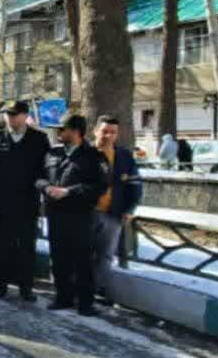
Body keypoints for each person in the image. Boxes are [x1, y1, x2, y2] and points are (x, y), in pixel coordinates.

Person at [38, 114, 110, 316]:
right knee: (59, 257)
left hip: (80, 216)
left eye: (63, 129)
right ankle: (63, 297)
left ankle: (85, 302)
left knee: (82, 260)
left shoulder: (94, 156)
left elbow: (101, 186)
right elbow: (39, 177)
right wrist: (47, 188)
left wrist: (69, 191)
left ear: (76, 132)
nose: (58, 133)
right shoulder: (53, 153)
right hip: (55, 214)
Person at [0, 100, 51, 301]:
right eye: (7, 114)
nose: (10, 118)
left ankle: (26, 288)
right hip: (1, 205)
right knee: (0, 247)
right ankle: (0, 286)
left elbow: (44, 169)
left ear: (25, 115)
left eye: (14, 114)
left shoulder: (39, 139)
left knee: (26, 248)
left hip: (27, 203)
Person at [92, 116, 143, 299]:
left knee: (105, 255)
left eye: (113, 132)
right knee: (82, 253)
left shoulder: (124, 156)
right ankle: (78, 289)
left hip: (112, 215)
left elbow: (135, 185)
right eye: (105, 131)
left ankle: (98, 289)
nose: (108, 135)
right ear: (95, 131)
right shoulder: (85, 152)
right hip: (86, 213)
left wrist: (130, 210)